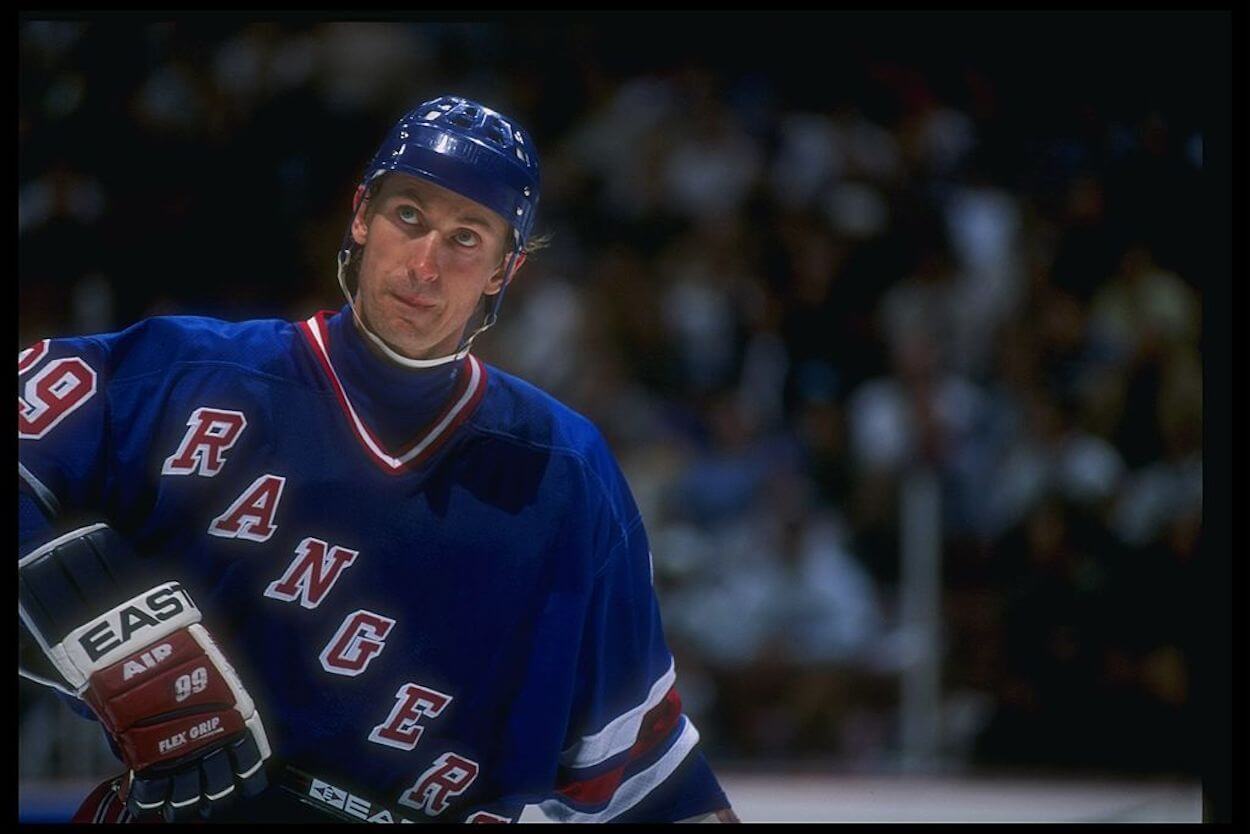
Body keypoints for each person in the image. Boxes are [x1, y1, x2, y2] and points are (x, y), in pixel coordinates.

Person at [18, 94, 739, 824]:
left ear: (504, 270)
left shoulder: (566, 475)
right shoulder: (189, 376)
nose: (426, 264)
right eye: (410, 217)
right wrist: (76, 620)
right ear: (362, 214)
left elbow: (656, 782)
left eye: (466, 238)